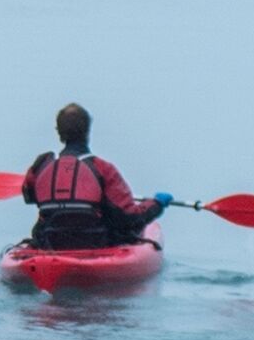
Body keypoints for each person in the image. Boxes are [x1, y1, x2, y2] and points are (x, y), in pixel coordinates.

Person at [20, 101, 167, 251]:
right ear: (87, 131)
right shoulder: (103, 168)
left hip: (50, 243)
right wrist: (156, 204)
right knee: (121, 225)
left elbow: (29, 196)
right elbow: (129, 217)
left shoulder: (40, 166)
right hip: (94, 244)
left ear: (58, 132)